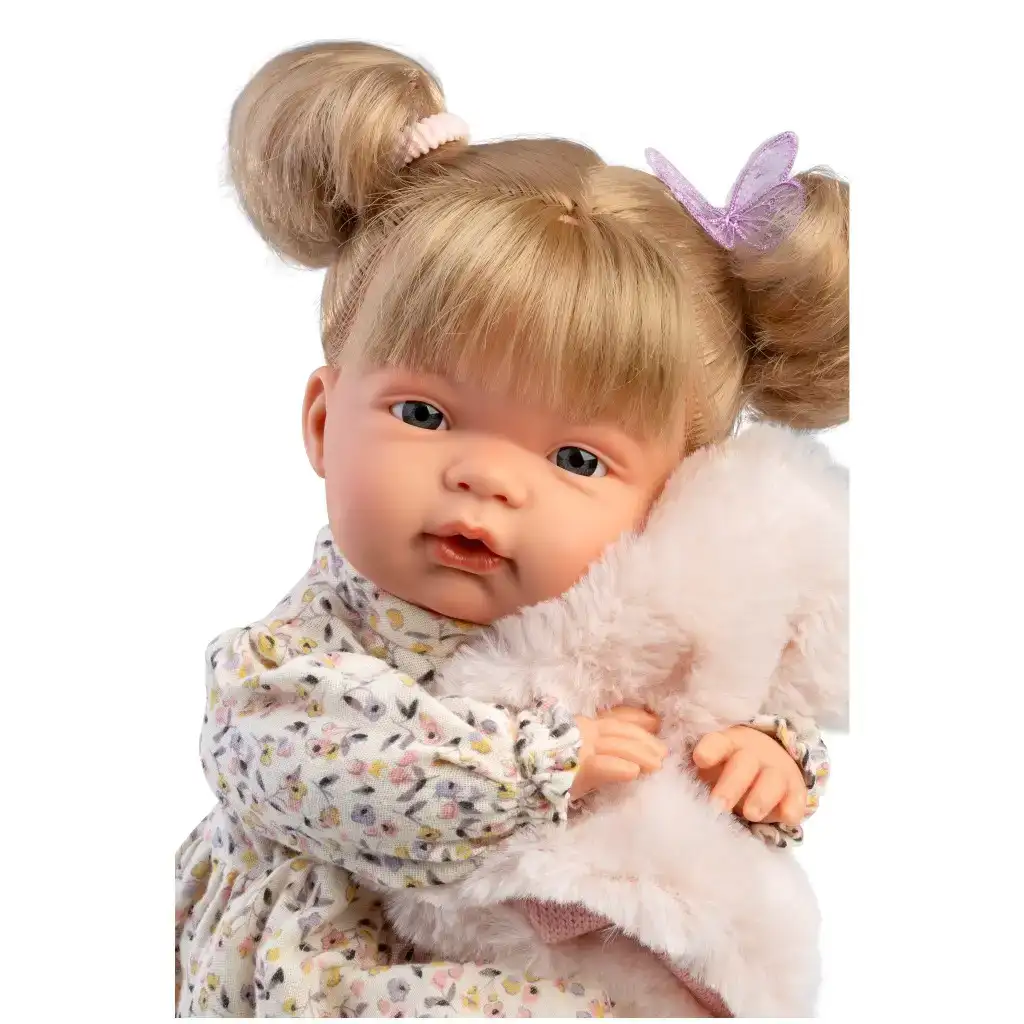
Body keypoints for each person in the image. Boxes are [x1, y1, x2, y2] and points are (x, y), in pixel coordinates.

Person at [175, 39, 846, 1018]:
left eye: (576, 459)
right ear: (322, 422)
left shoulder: (633, 618)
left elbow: (713, 717)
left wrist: (770, 755)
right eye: (424, 414)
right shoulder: (299, 655)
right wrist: (540, 766)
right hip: (339, 965)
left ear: (672, 495)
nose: (485, 477)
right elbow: (298, 764)